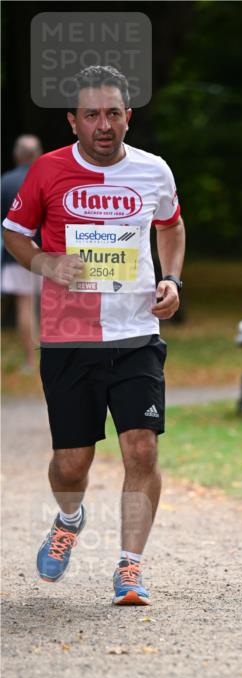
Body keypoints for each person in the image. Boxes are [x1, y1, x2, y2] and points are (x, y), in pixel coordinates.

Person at [2, 65, 185, 606]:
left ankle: (130, 568)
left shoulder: (154, 171)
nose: (103, 125)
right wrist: (44, 264)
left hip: (136, 335)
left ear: (129, 117)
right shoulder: (47, 171)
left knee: (142, 453)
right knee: (71, 464)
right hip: (68, 338)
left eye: (113, 114)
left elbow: (171, 225)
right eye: (91, 115)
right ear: (73, 121)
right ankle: (68, 517)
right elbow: (14, 233)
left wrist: (172, 279)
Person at [1, 134, 43, 372]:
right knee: (48, 306)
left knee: (25, 307)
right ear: (37, 154)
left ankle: (31, 359)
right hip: (47, 253)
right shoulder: (45, 177)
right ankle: (51, 356)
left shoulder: (5, 182)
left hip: (15, 255)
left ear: (16, 155)